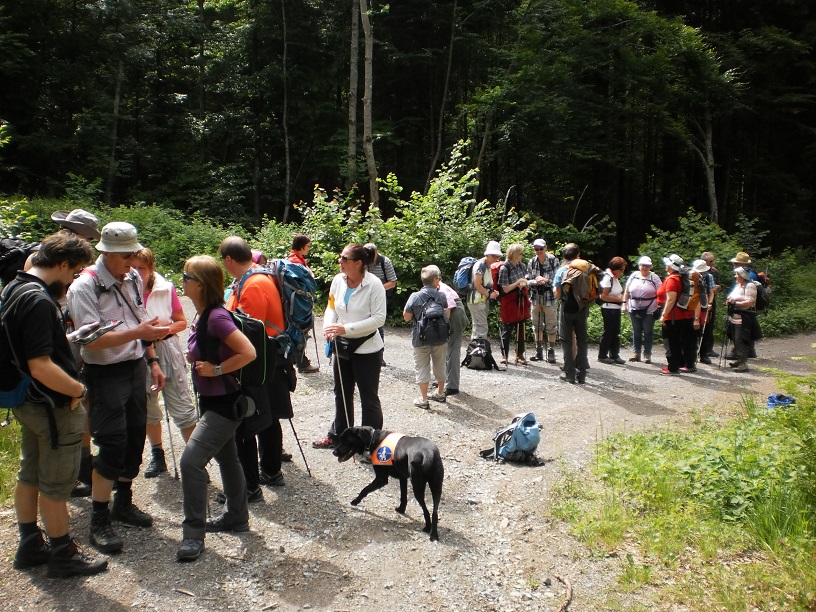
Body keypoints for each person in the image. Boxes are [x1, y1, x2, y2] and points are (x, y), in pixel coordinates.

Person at [6, 232, 108, 577]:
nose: (74, 277)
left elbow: (26, 346)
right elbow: (41, 366)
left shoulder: (15, 288)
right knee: (56, 485)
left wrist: (69, 339)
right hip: (51, 406)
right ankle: (63, 554)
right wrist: (78, 391)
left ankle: (30, 544)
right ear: (61, 264)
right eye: (74, 270)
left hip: (26, 402)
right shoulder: (39, 301)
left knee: (30, 473)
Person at [67, 222, 169, 554]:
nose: (133, 261)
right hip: (104, 373)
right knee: (110, 444)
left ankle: (122, 502)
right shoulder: (84, 287)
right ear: (108, 254)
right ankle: (99, 518)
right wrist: (138, 333)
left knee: (135, 436)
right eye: (127, 256)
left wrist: (152, 360)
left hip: (134, 367)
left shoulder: (134, 277)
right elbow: (91, 343)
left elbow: (142, 321)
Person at [177, 255, 256, 561]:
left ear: (200, 284)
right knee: (228, 459)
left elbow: (247, 352)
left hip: (224, 404)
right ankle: (237, 516)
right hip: (214, 401)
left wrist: (219, 369)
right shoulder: (202, 315)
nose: (182, 281)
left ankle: (193, 535)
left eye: (186, 277)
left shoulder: (216, 317)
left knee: (190, 462)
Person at [221, 236, 293, 494]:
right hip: (271, 360)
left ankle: (257, 480)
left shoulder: (252, 285)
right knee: (269, 416)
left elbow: (247, 332)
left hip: (261, 363)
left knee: (257, 418)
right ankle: (271, 471)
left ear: (229, 259)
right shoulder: (259, 278)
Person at [131, 249, 197, 478]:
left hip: (166, 347)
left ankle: (195, 459)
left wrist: (162, 331)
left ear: (151, 268)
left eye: (142, 268)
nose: (137, 273)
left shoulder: (165, 288)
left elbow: (181, 321)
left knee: (181, 403)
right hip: (138, 351)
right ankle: (157, 454)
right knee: (148, 405)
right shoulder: (124, 289)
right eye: (134, 267)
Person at [313, 244, 386, 449]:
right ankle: (338, 436)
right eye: (340, 257)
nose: (340, 261)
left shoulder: (374, 284)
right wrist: (329, 327)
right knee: (341, 393)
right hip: (342, 345)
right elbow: (331, 307)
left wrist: (346, 328)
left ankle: (371, 442)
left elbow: (379, 319)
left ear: (358, 263)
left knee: (368, 397)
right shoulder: (338, 280)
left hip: (368, 349)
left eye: (344, 258)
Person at [404, 265, 451, 409]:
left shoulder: (415, 296)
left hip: (420, 338)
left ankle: (424, 399)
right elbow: (447, 314)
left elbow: (406, 317)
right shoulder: (441, 295)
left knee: (422, 367)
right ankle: (440, 393)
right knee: (440, 364)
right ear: (435, 280)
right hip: (440, 337)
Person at [655, 254, 698, 375]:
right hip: (681, 315)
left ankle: (672, 368)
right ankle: (677, 365)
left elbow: (670, 299)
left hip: (672, 316)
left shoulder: (672, 280)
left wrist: (663, 315)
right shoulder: (680, 278)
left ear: (670, 266)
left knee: (670, 342)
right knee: (676, 341)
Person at [553, 243, 589, 384]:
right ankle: (582, 373)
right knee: (582, 340)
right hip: (582, 308)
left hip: (566, 308)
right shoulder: (586, 269)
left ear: (564, 256)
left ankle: (569, 374)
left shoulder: (562, 270)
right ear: (578, 255)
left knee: (566, 340)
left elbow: (557, 294)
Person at [287, 234, 319, 374]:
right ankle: (302, 363)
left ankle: (296, 359)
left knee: (297, 329)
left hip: (294, 301)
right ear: (301, 246)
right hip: (299, 302)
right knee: (301, 329)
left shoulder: (294, 259)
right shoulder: (296, 262)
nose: (309, 248)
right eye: (308, 246)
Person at [496, 243, 531, 364]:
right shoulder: (504, 268)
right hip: (509, 300)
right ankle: (503, 355)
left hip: (520, 299)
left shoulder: (521, 266)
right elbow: (505, 289)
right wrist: (518, 282)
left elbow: (525, 278)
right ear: (515, 254)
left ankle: (519, 355)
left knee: (521, 327)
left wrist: (523, 283)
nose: (522, 255)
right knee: (508, 327)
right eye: (521, 253)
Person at [622, 256, 661, 363]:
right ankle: (636, 353)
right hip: (633, 307)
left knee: (648, 331)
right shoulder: (634, 275)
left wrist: (659, 307)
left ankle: (647, 354)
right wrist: (624, 304)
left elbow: (660, 293)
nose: (645, 267)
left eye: (647, 266)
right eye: (643, 265)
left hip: (649, 309)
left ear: (650, 267)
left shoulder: (654, 277)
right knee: (636, 331)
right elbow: (627, 291)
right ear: (639, 266)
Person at [526, 238, 559, 363]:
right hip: (535, 298)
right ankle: (538, 351)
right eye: (536, 249)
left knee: (551, 325)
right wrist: (535, 281)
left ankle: (551, 351)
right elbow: (527, 280)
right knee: (536, 326)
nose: (538, 251)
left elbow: (557, 279)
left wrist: (545, 280)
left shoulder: (553, 260)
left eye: (540, 248)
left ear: (545, 248)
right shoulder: (532, 262)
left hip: (550, 298)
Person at [364, 243, 397, 365]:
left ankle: (379, 356)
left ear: (376, 254)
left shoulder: (385, 262)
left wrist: (377, 288)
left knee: (378, 326)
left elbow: (392, 282)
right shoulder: (362, 260)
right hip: (363, 297)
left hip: (380, 298)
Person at [437, 276, 468, 396]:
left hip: (455, 315)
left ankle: (452, 386)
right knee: (444, 349)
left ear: (436, 279)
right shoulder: (439, 287)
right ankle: (442, 381)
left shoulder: (442, 289)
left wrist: (443, 328)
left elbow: (448, 309)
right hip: (454, 314)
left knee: (453, 350)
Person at [467, 241, 501, 339]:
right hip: (477, 300)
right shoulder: (481, 265)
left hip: (481, 300)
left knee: (479, 327)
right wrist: (489, 295)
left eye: (497, 256)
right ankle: (478, 353)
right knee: (481, 328)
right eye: (493, 256)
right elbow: (477, 284)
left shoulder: (487, 265)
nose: (496, 259)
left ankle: (477, 352)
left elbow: (485, 284)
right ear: (487, 254)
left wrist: (492, 292)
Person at [725, 266, 757, 373]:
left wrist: (735, 304)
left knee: (741, 339)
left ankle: (744, 364)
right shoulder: (739, 286)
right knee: (735, 339)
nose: (736, 276)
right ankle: (739, 360)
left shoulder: (750, 286)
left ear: (743, 276)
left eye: (737, 274)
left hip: (744, 318)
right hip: (734, 317)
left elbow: (750, 302)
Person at [597, 257, 627, 364]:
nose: (623, 272)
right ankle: (602, 355)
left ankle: (614, 355)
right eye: (622, 270)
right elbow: (603, 296)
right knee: (608, 332)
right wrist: (619, 300)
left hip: (616, 308)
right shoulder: (608, 278)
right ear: (615, 268)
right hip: (609, 309)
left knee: (616, 332)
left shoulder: (615, 278)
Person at [698, 251, 720, 364]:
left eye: (712, 261)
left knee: (708, 327)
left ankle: (706, 352)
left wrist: (710, 301)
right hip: (697, 303)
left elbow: (716, 286)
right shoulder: (695, 272)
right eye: (710, 261)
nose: (712, 263)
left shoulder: (713, 272)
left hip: (709, 303)